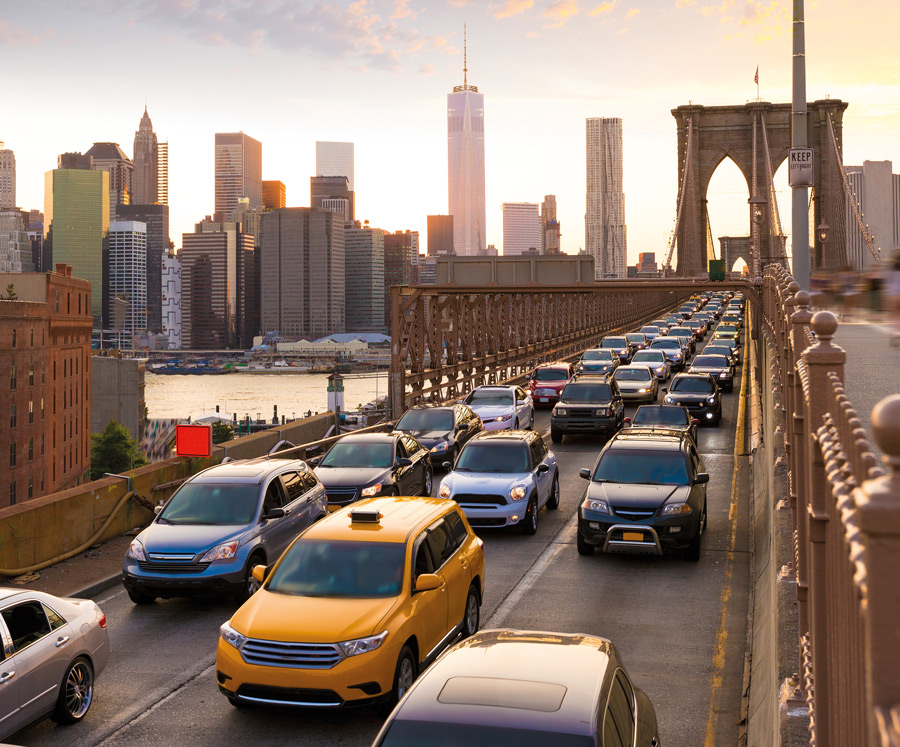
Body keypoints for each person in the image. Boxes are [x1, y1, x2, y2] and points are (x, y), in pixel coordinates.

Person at [887, 253, 900, 346]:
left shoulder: (892, 269)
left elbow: (888, 282)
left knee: (895, 315)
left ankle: (895, 333)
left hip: (894, 294)